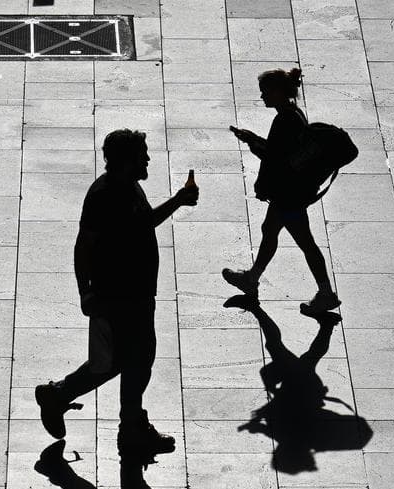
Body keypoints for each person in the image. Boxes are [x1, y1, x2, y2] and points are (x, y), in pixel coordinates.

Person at [35, 129, 198, 459]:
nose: (148, 159)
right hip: (119, 297)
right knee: (134, 361)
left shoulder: (128, 186)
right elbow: (84, 245)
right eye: (142, 155)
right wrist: (85, 293)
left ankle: (63, 398)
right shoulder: (105, 195)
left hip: (135, 293)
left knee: (124, 361)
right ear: (127, 161)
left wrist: (179, 200)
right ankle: (130, 429)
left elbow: (143, 223)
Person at [222, 67, 341, 316]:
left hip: (289, 195)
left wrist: (254, 144)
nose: (262, 97)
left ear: (277, 92)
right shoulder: (293, 113)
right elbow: (280, 153)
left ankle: (326, 293)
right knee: (270, 231)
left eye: (265, 92)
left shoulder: (285, 119)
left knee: (305, 243)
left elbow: (275, 158)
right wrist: (253, 138)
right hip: (291, 191)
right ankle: (251, 278)